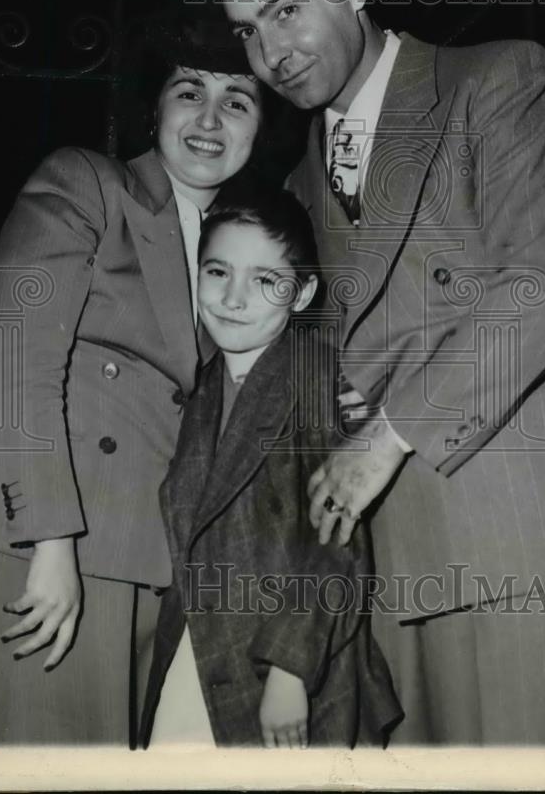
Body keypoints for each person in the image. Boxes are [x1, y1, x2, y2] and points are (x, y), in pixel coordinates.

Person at [216, 0, 545, 745]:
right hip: (395, 559)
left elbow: (541, 286)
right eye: (247, 30)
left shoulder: (501, 79)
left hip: (526, 532)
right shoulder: (295, 189)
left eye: (286, 8)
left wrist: (385, 433)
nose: (271, 52)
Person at [0, 8, 264, 745]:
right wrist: (49, 543)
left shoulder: (241, 252)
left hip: (148, 566)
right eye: (190, 92)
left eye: (237, 100)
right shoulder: (86, 183)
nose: (211, 118)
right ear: (154, 108)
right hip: (45, 548)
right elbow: (18, 355)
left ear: (258, 126)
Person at [139, 192, 402, 748]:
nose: (233, 298)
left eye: (264, 280)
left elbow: (337, 544)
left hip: (292, 665)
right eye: (217, 272)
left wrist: (289, 672)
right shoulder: (201, 388)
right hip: (202, 650)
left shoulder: (315, 380)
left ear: (301, 293)